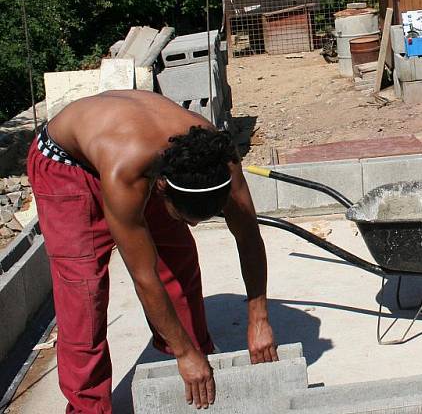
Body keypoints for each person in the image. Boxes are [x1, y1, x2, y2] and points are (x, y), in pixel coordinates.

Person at [27, 90, 277, 412]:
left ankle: (197, 357)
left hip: (139, 148)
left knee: (178, 257)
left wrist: (259, 319)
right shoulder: (125, 172)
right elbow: (144, 277)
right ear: (161, 188)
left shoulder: (219, 158)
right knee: (84, 294)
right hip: (65, 165)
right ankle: (88, 407)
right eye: (187, 217)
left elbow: (249, 236)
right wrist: (184, 355)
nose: (196, 226)